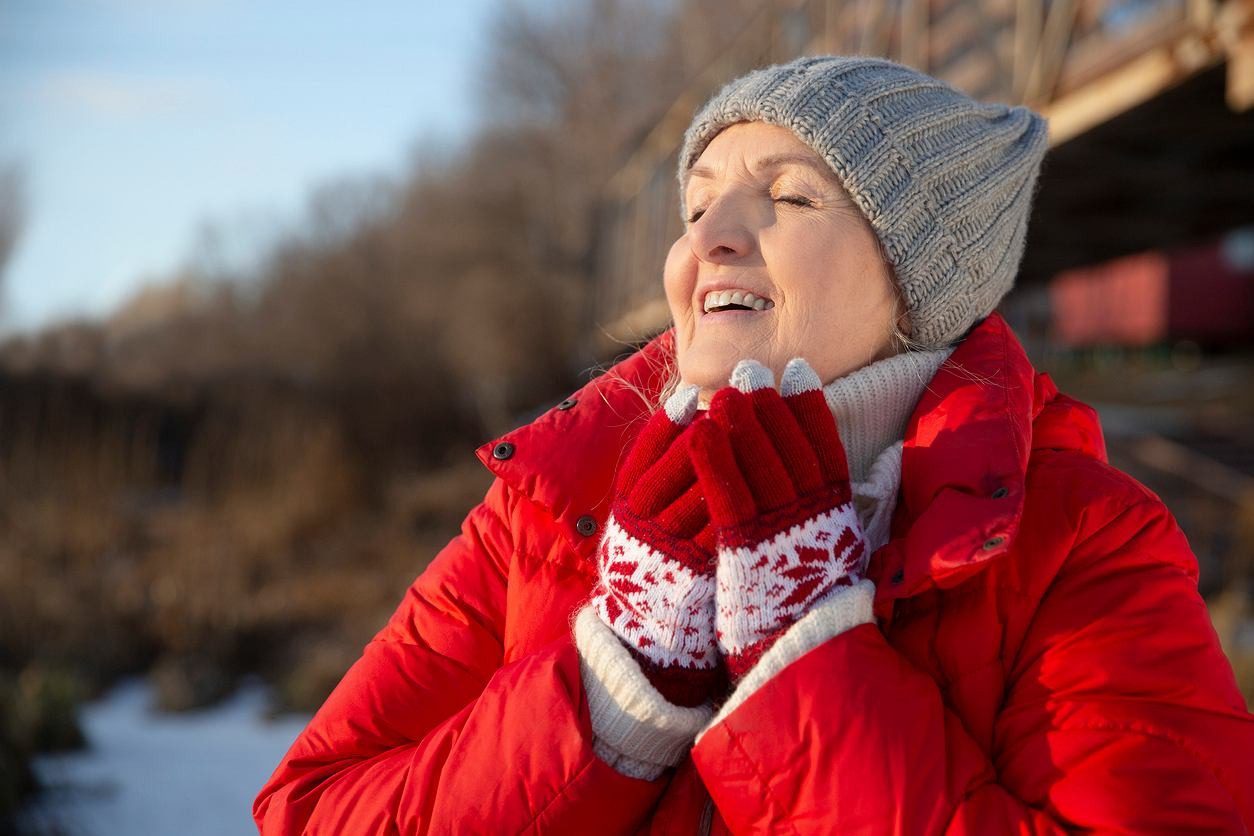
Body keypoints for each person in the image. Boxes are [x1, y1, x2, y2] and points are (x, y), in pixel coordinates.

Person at [253, 55, 1254, 834]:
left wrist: (803, 652)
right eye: (696, 206)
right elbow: (308, 807)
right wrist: (617, 685)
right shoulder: (548, 509)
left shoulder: (1080, 539)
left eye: (788, 195)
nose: (709, 240)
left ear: (921, 285)